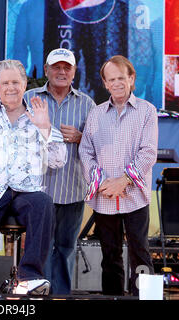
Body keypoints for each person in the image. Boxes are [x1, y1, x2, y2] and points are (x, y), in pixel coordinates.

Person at [0, 59, 68, 295]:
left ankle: (29, 278)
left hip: (26, 191)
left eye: (16, 82)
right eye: (5, 83)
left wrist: (45, 128)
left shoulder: (38, 116)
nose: (11, 88)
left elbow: (59, 161)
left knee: (44, 204)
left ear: (25, 83)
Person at [78, 55, 158, 296]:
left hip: (135, 196)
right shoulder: (96, 113)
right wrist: (102, 183)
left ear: (131, 78)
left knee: (140, 253)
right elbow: (85, 150)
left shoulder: (146, 111)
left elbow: (148, 152)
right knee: (110, 256)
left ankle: (145, 297)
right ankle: (112, 297)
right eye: (111, 79)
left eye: (121, 78)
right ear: (105, 83)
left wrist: (123, 180)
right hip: (104, 198)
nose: (117, 83)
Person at [24, 48, 96, 295]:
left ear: (74, 73)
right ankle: (39, 294)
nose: (61, 72)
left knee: (66, 247)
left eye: (67, 68)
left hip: (73, 188)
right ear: (46, 70)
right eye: (56, 67)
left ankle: (61, 295)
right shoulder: (29, 97)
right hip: (37, 189)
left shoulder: (87, 103)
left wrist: (81, 137)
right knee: (40, 246)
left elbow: (98, 142)